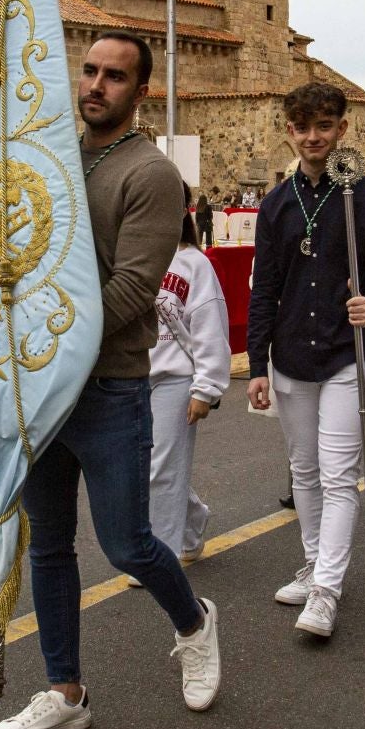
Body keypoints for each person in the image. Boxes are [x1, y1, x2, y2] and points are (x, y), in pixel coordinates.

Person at [0, 32, 219, 729]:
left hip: (110, 387)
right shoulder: (48, 157)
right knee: (50, 546)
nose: (95, 85)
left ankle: (195, 626)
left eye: (114, 76)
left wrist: (47, 342)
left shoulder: (151, 175)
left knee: (127, 545)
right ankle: (66, 693)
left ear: (141, 92)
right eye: (88, 70)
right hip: (38, 386)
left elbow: (132, 289)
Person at [247, 81, 365, 638]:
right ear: (289, 131)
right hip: (291, 355)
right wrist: (257, 365)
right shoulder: (275, 204)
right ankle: (315, 563)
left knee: (339, 475)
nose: (313, 137)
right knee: (304, 471)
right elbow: (264, 290)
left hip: (346, 354)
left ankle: (327, 591)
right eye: (302, 127)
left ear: (342, 128)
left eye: (324, 126)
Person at [148, 185, 231, 561]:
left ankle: (160, 557)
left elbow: (210, 324)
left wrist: (205, 387)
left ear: (184, 210)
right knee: (144, 468)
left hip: (176, 378)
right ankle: (192, 521)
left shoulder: (194, 263)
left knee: (160, 469)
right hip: (133, 375)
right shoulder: (132, 254)